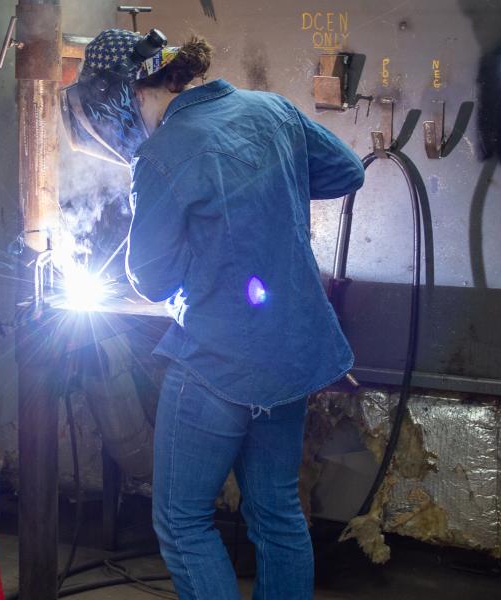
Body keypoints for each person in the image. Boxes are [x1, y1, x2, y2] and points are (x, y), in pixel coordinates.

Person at [69, 29, 364, 600]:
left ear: (127, 94)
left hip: (216, 367)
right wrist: (274, 196)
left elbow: (152, 279)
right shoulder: (271, 108)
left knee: (182, 523)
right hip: (287, 354)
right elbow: (347, 170)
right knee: (277, 513)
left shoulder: (160, 154)